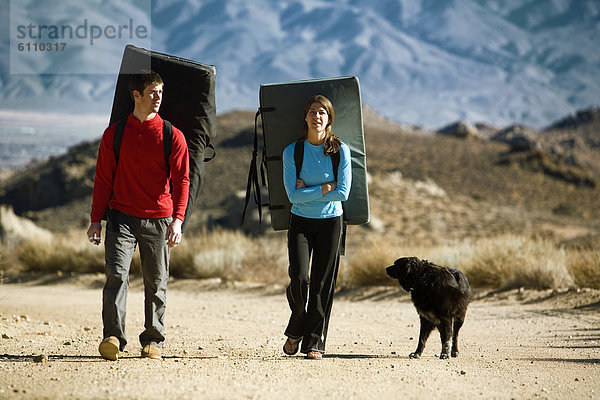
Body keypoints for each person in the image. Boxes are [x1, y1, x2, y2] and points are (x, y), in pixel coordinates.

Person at [87, 70, 190, 361]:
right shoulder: (115, 135)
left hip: (160, 219)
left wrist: (178, 220)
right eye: (152, 92)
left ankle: (153, 339)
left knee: (156, 281)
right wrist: (96, 219)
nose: (158, 98)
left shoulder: (173, 135)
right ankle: (113, 337)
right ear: (136, 95)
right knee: (116, 275)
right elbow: (103, 179)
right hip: (121, 216)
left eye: (161, 92)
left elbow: (183, 180)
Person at [281, 95, 352, 359]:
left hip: (331, 222)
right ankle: (298, 321)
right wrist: (325, 187)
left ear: (329, 119)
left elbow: (343, 192)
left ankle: (314, 343)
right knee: (300, 278)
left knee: (322, 284)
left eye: (322, 112)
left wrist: (309, 189)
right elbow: (293, 197)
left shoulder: (340, 151)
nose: (317, 116)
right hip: (300, 221)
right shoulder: (293, 152)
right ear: (305, 117)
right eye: (312, 111)